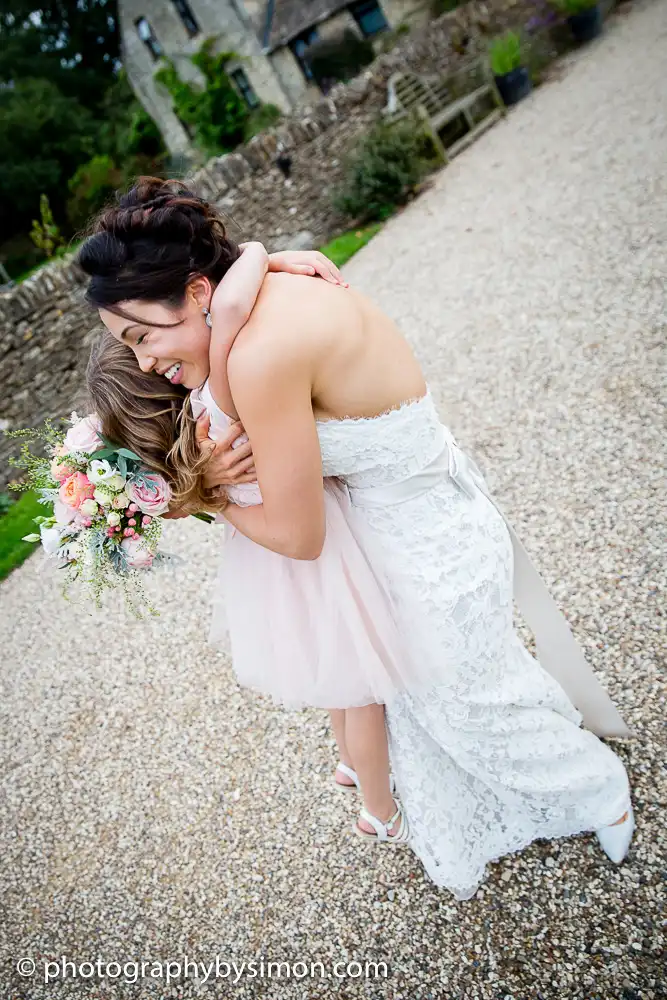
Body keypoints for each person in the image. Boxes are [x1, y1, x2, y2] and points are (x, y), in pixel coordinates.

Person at [80, 176, 635, 901]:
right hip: (433, 514)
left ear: (194, 292)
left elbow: (299, 536)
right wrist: (263, 256)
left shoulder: (254, 357)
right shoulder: (264, 299)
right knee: (456, 693)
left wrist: (203, 498)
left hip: (428, 548)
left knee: (467, 706)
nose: (146, 362)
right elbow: (241, 285)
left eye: (141, 337)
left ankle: (599, 792)